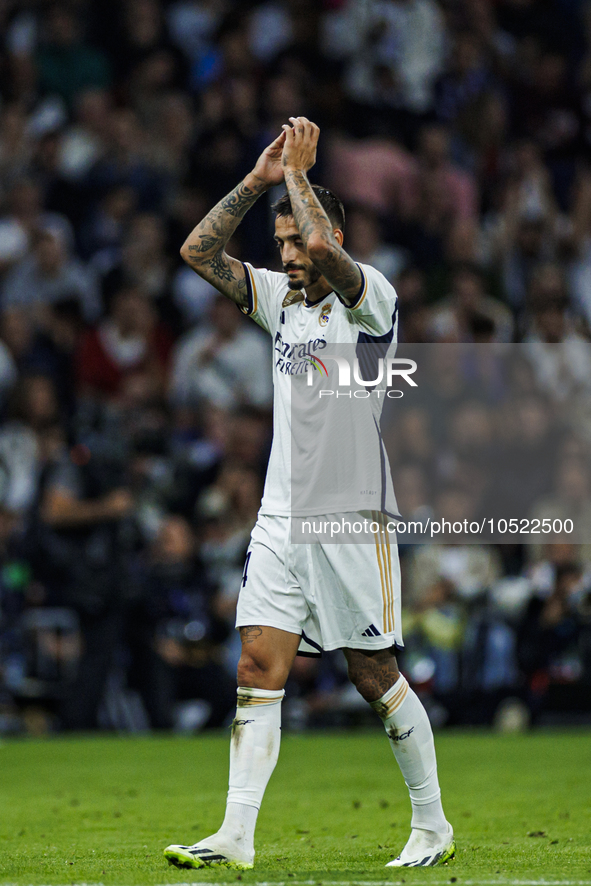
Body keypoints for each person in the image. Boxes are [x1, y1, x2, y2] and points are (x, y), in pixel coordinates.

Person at [164, 117, 454, 869]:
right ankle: (235, 834)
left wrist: (299, 173)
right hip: (279, 518)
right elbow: (196, 251)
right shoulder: (279, 301)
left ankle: (431, 825)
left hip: (352, 517)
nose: (288, 256)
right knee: (256, 669)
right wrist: (260, 181)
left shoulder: (371, 303)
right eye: (281, 244)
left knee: (373, 674)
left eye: (296, 241)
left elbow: (328, 249)